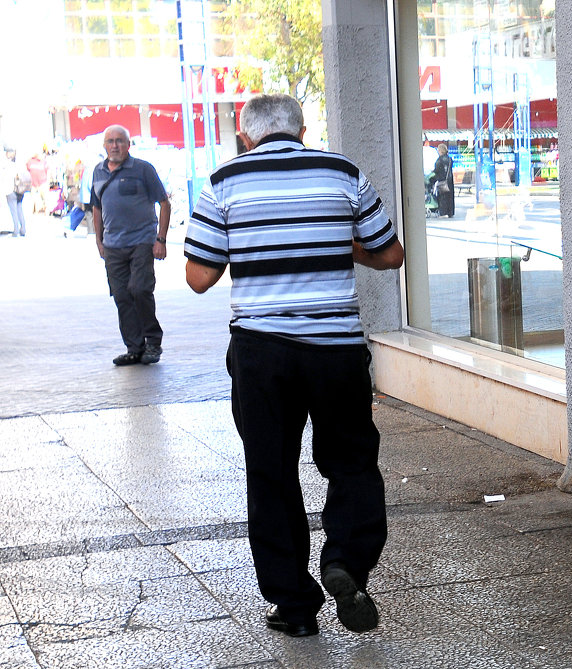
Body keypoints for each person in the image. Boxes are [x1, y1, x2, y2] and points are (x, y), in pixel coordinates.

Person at [183, 94, 405, 638]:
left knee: (271, 471)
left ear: (246, 134)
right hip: (336, 349)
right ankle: (347, 564)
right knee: (351, 461)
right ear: (302, 129)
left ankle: (295, 607)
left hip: (262, 352)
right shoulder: (342, 172)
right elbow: (391, 254)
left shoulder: (222, 183)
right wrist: (339, 246)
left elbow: (199, 277)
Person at [90, 125, 171, 366]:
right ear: (104, 145)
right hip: (113, 245)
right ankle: (134, 348)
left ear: (128, 145)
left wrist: (161, 239)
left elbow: (165, 204)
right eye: (110, 141)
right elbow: (96, 207)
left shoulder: (143, 169)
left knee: (139, 289)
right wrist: (99, 240)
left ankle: (153, 342)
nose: (114, 145)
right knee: (122, 296)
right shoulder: (98, 171)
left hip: (141, 242)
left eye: (120, 141)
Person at [3, 149, 27, 237]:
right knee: (19, 209)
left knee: (13, 211)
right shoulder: (19, 165)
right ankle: (23, 229)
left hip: (10, 189)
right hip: (20, 189)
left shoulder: (7, 165)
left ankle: (16, 230)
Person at [430, 143, 455, 217]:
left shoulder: (439, 160)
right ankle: (450, 212)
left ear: (440, 150)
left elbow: (437, 171)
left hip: (442, 181)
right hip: (449, 181)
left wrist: (432, 177)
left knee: (442, 197)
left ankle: (443, 212)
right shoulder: (450, 159)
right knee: (450, 197)